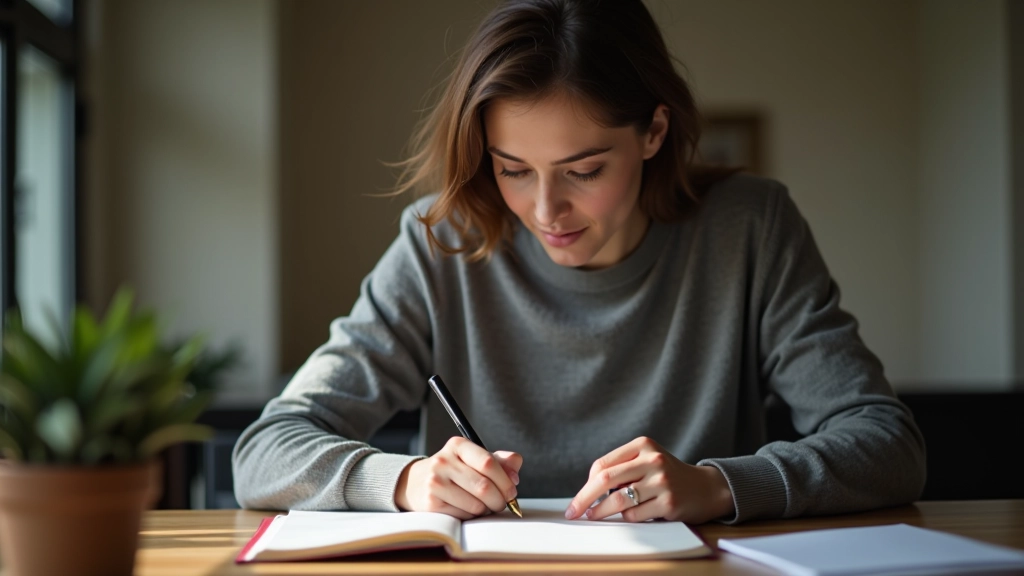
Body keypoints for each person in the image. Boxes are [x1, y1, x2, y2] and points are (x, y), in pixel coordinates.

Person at [233, 0, 926, 525]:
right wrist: (406, 481)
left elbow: (887, 444)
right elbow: (264, 451)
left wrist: (717, 485)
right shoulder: (439, 242)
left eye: (584, 170)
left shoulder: (750, 228)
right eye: (512, 169)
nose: (544, 211)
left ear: (654, 132)